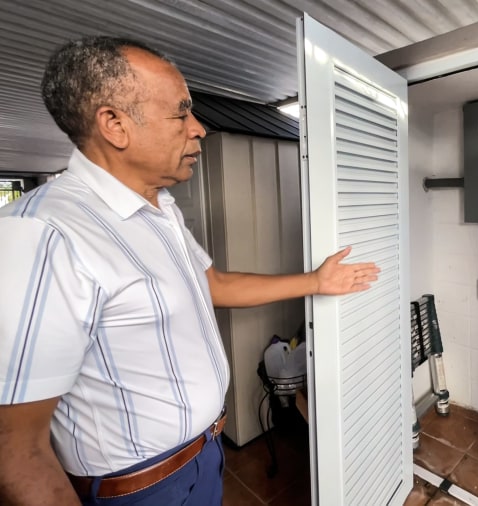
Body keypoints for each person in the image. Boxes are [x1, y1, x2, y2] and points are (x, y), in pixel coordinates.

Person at [0, 36, 379, 506]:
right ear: (114, 124)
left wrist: (315, 282)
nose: (198, 128)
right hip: (140, 490)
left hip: (202, 458)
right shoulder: (43, 233)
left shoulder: (160, 208)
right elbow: (15, 449)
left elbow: (211, 284)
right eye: (181, 113)